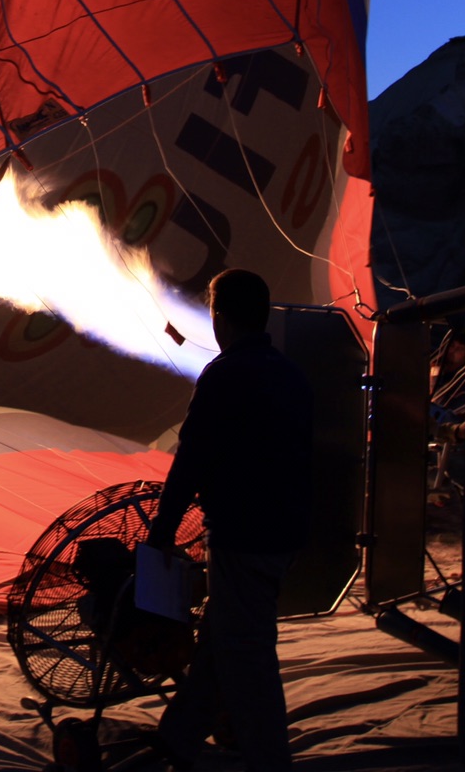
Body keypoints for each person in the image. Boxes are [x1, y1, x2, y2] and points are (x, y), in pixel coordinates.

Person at [146, 269, 315, 771]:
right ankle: (178, 738)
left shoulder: (224, 375)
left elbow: (190, 460)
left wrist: (160, 533)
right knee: (222, 641)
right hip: (284, 535)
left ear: (220, 316)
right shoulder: (291, 373)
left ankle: (270, 759)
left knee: (247, 657)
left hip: (244, 537)